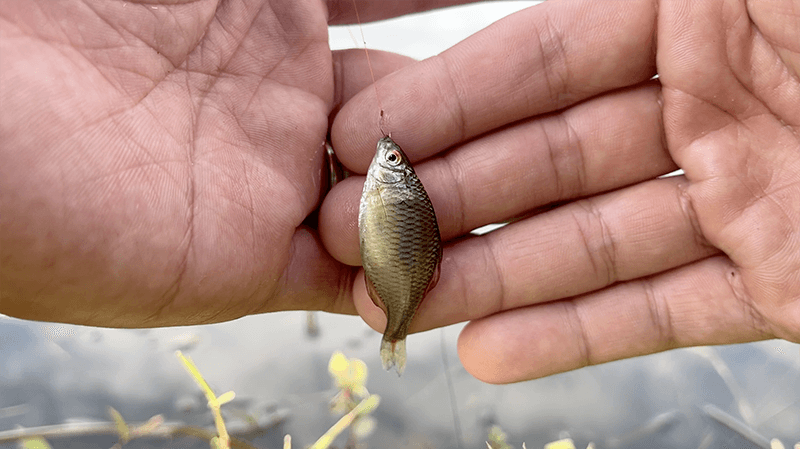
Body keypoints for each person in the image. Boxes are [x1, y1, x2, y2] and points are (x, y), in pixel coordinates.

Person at [1, 0, 798, 384]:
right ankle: (399, 322)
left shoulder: (386, 183)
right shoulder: (392, 183)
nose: (388, 156)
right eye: (392, 160)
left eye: (393, 160)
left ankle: (399, 323)